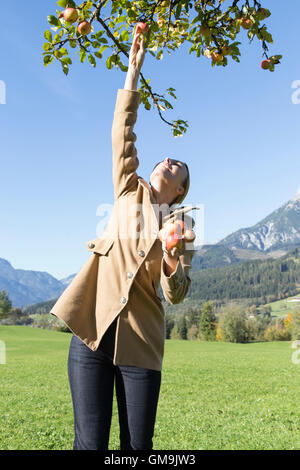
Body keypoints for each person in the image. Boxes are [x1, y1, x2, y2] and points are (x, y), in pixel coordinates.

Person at [50, 28, 197, 451]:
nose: (167, 160)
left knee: (136, 449)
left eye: (178, 166)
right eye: (167, 157)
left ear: (180, 190)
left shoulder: (184, 224)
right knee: (89, 444)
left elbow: (178, 294)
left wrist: (171, 258)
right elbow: (122, 133)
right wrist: (132, 72)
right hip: (91, 333)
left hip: (141, 345)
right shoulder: (127, 188)